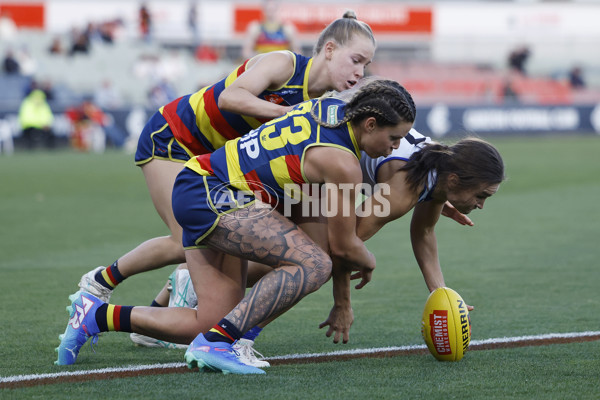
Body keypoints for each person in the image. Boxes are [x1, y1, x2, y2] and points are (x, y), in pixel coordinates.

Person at [55, 78, 417, 372]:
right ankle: (223, 342)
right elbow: (342, 247)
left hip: (203, 186)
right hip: (215, 193)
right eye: (393, 137)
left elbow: (324, 220)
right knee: (314, 263)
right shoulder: (343, 164)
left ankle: (96, 316)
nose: (395, 147)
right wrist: (368, 260)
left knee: (208, 320)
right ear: (370, 123)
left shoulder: (332, 108)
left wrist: (343, 290)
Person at [74, 11, 376, 315]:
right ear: (330, 49)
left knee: (223, 239)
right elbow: (229, 98)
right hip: (176, 137)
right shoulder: (284, 64)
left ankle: (159, 311)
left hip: (220, 166)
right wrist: (288, 114)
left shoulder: (322, 102)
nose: (360, 71)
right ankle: (99, 282)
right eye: (356, 60)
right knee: (185, 239)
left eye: (366, 65)